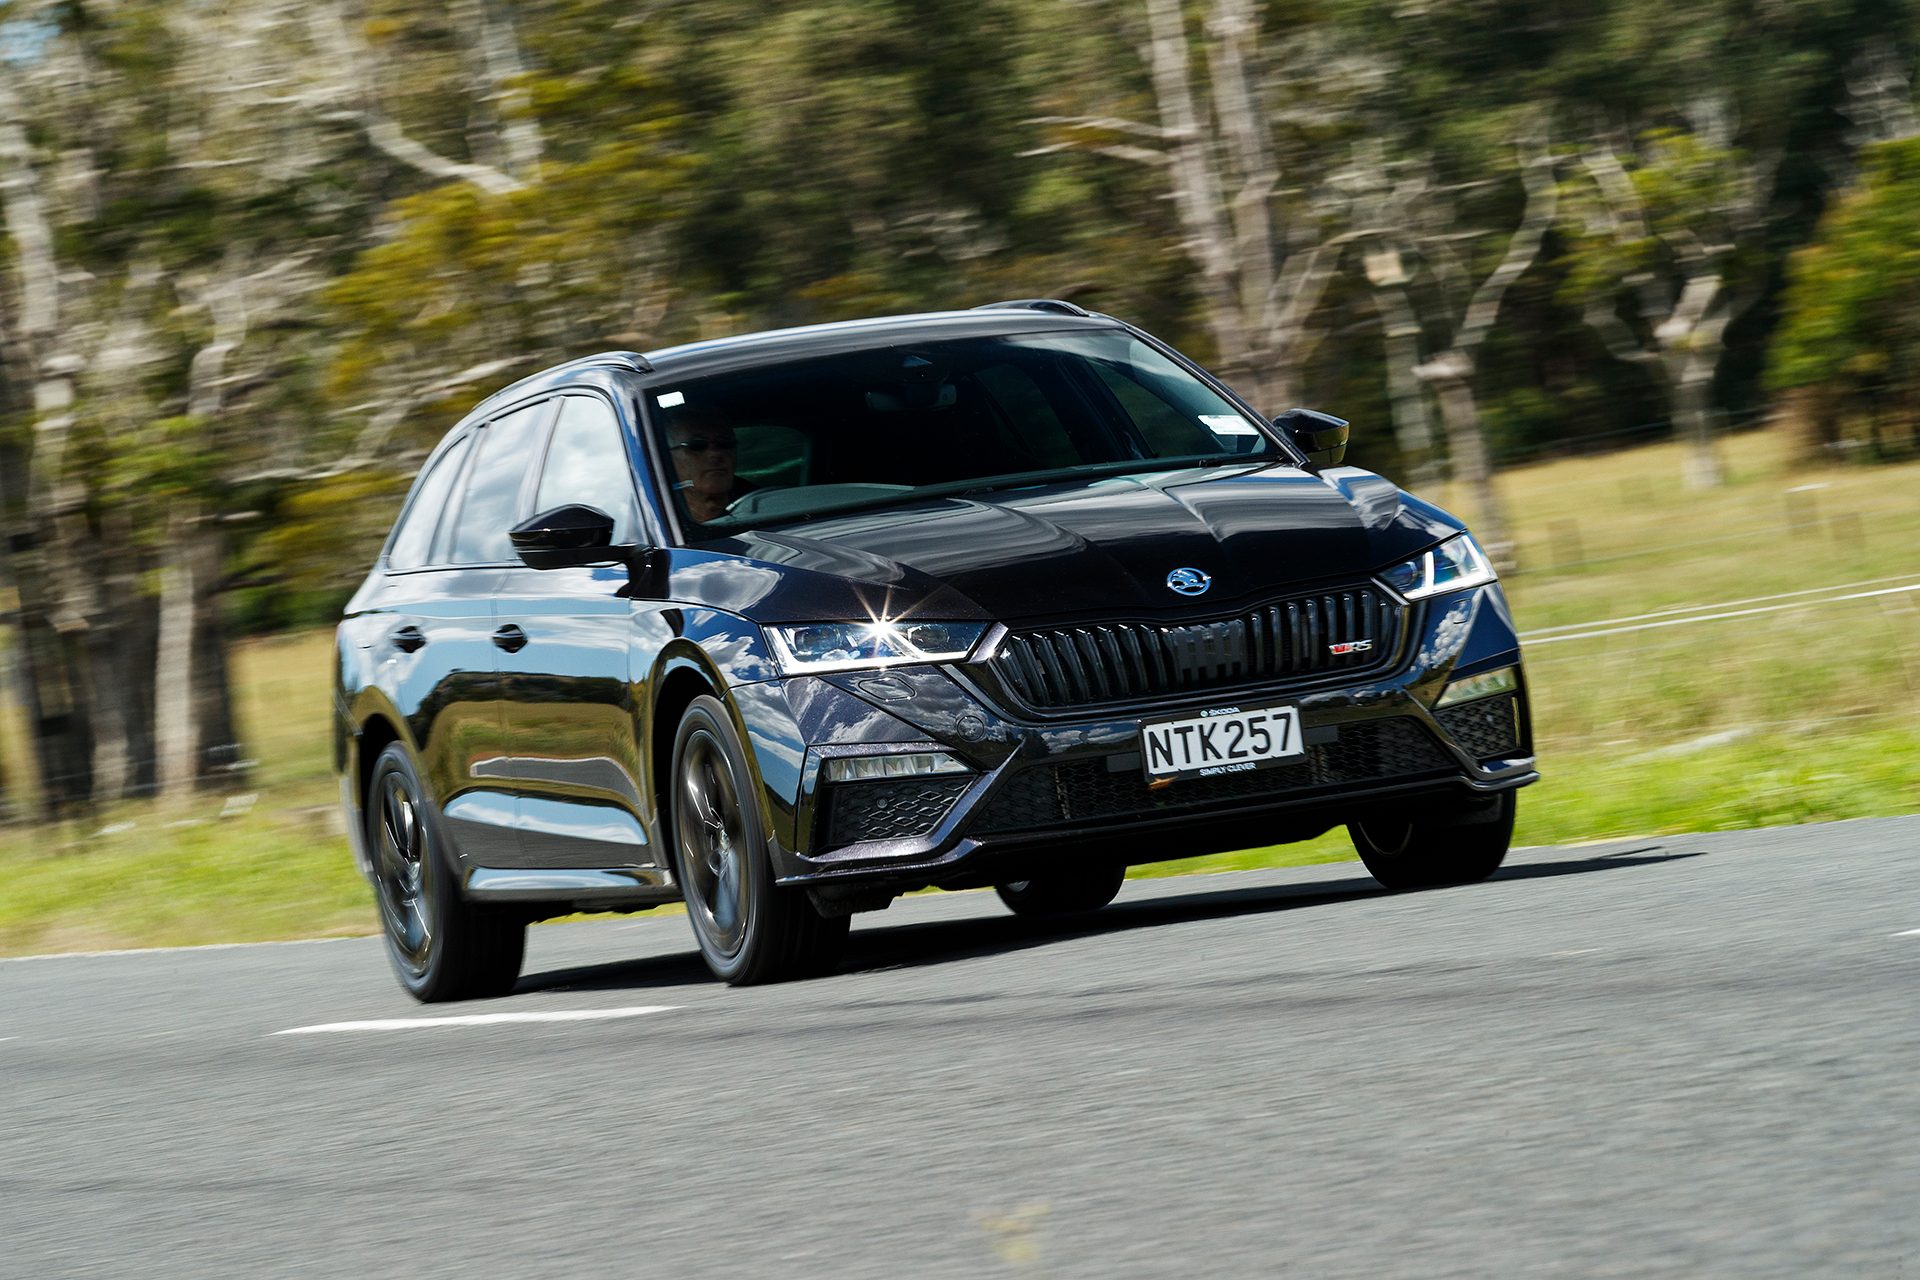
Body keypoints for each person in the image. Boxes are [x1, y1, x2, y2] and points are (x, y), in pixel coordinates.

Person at [663, 409, 750, 525]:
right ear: (669, 457)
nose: (715, 453)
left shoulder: (760, 502)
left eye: (725, 443)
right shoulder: (656, 514)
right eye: (697, 445)